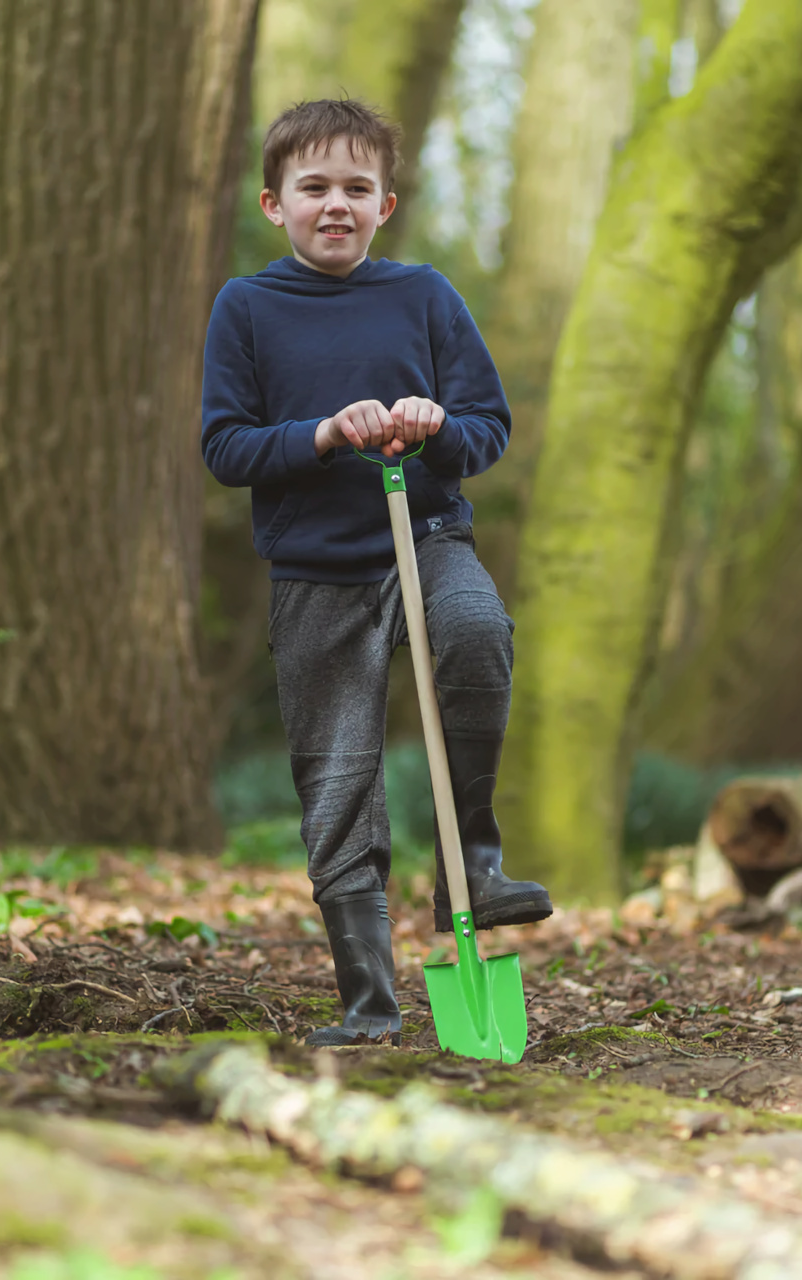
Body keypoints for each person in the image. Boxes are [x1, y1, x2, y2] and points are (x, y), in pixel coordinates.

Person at [201, 98, 552, 1047]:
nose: (336, 205)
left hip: (425, 535)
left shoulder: (425, 296)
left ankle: (474, 866)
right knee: (338, 778)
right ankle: (368, 1003)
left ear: (386, 204)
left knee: (476, 631)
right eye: (313, 187)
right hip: (315, 569)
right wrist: (321, 434)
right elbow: (225, 447)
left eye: (357, 188)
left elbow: (488, 425)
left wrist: (437, 427)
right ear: (275, 203)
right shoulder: (246, 308)